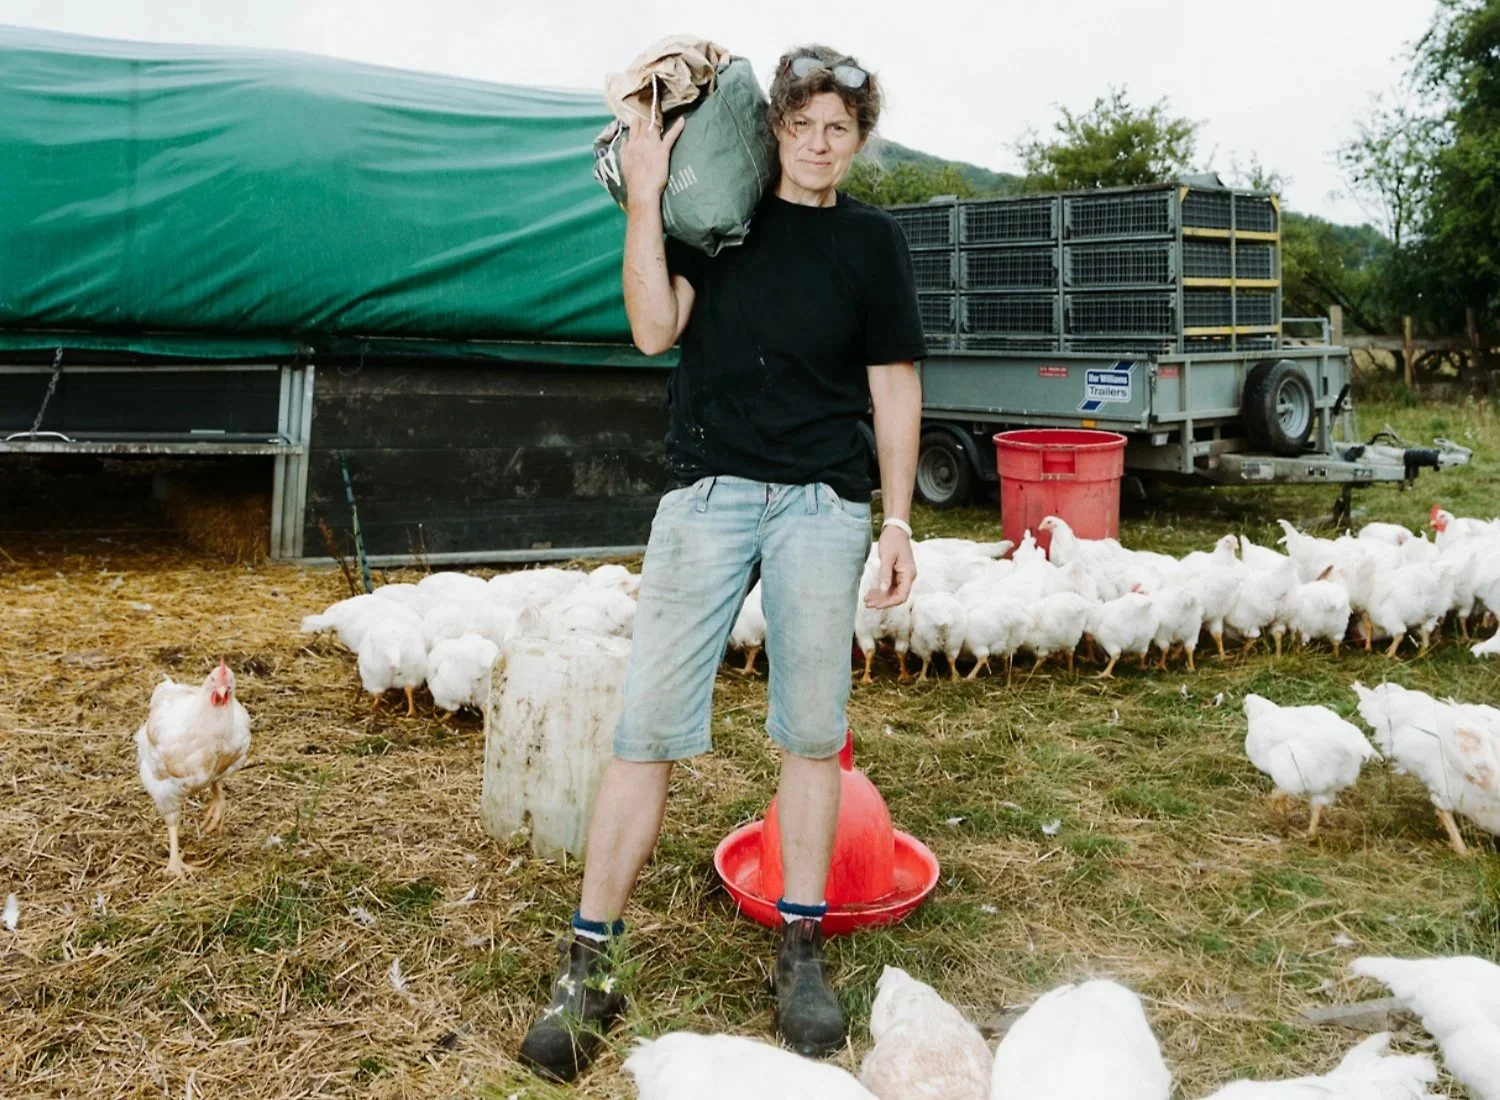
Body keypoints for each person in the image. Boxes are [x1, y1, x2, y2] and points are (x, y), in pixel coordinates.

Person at [519, 43, 925, 1081]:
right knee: (645, 728)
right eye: (803, 124)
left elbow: (894, 384)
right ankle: (589, 963)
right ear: (776, 128)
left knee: (812, 728)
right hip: (708, 493)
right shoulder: (721, 219)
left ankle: (801, 949)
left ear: (859, 140)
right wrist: (646, 198)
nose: (820, 142)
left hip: (822, 504)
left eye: (840, 128)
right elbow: (655, 329)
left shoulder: (873, 245)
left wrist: (894, 519)